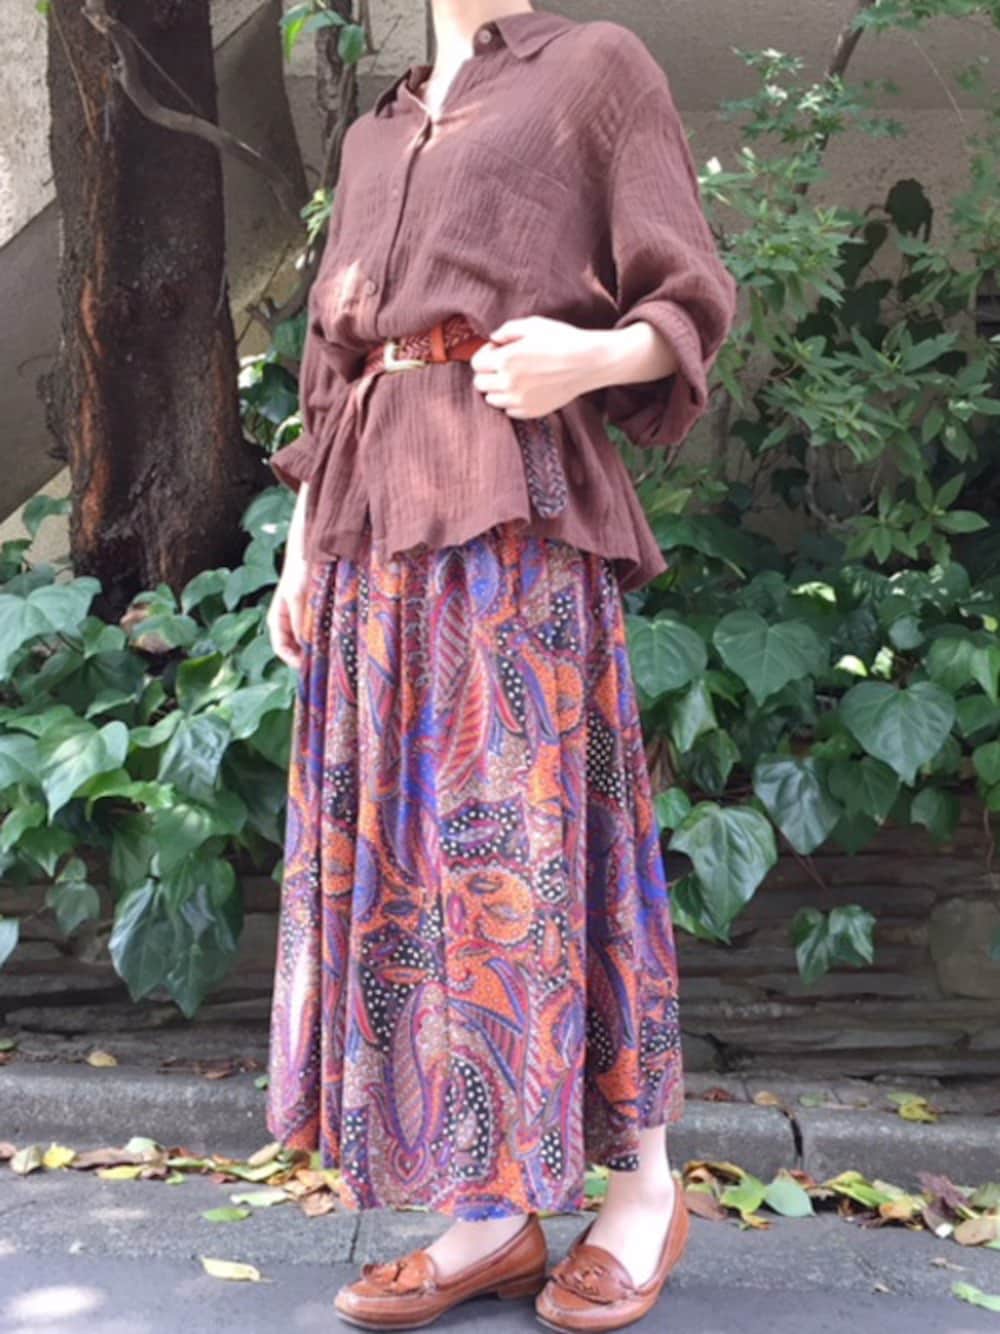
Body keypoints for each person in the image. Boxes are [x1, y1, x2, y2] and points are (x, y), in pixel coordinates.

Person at [264, 3, 737, 1330]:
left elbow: (690, 292)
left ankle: (642, 1192)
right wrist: (299, 551)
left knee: (543, 857)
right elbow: (334, 373)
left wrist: (593, 355)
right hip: (373, 548)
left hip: (515, 534)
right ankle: (490, 1213)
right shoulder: (376, 134)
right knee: (420, 879)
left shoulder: (595, 69)